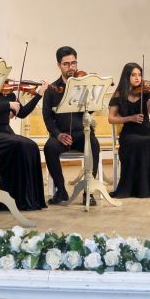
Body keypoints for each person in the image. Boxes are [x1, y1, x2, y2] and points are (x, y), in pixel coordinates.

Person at [0, 76, 48, 211]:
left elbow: (22, 113)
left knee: (30, 145)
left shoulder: (9, 93)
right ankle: (0, 196)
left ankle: (25, 199)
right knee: (18, 144)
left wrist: (39, 94)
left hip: (4, 133)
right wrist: (8, 105)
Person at [42, 46, 99, 205]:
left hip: (81, 133)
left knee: (93, 144)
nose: (71, 67)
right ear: (59, 65)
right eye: (66, 64)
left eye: (73, 63)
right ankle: (61, 190)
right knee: (49, 148)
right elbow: (47, 117)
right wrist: (58, 134)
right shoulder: (52, 90)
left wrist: (91, 91)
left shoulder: (84, 85)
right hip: (61, 134)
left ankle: (89, 191)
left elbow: (92, 109)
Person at [108, 63, 150, 198]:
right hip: (129, 131)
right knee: (135, 142)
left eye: (139, 75)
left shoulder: (146, 91)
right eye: (133, 75)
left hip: (146, 128)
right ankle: (135, 188)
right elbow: (111, 118)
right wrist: (130, 118)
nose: (137, 78)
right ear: (127, 77)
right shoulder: (119, 94)